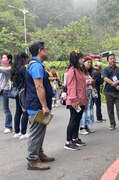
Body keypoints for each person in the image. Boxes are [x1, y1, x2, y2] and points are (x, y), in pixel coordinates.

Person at [25, 41, 55, 170]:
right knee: (36, 132)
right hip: (37, 105)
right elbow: (39, 86)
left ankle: (39, 153)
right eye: (46, 49)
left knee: (41, 131)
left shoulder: (38, 65)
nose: (47, 51)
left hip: (40, 105)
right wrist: (44, 106)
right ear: (39, 50)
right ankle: (32, 160)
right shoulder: (36, 66)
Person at [64, 50, 88, 150]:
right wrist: (73, 100)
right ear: (76, 59)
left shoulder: (79, 70)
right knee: (73, 120)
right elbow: (71, 87)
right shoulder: (72, 71)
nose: (83, 59)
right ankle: (68, 141)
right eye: (81, 58)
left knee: (77, 120)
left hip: (81, 99)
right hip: (75, 101)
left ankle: (75, 138)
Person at [103, 54, 119, 132]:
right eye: (111, 59)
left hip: (118, 92)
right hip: (108, 92)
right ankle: (112, 124)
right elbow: (105, 78)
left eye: (114, 58)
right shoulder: (106, 69)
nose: (113, 60)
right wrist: (114, 85)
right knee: (110, 109)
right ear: (108, 60)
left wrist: (116, 83)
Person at [10, 52, 29, 139]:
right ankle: (23, 132)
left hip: (16, 91)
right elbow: (27, 81)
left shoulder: (14, 68)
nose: (27, 60)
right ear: (23, 59)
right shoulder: (23, 68)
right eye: (26, 58)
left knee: (18, 111)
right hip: (23, 91)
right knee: (25, 111)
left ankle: (17, 131)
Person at [80, 58, 96, 135]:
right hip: (83, 93)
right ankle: (82, 127)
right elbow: (80, 82)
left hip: (89, 93)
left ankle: (87, 126)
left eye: (90, 62)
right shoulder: (80, 72)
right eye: (88, 62)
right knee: (84, 110)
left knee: (89, 110)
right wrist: (90, 81)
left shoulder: (88, 72)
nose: (89, 63)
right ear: (83, 63)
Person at [0, 53, 13, 134]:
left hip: (4, 91)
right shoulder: (3, 68)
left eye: (4, 58)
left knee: (6, 109)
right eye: (2, 58)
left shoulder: (9, 68)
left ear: (9, 60)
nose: (2, 59)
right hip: (1, 90)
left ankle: (8, 126)